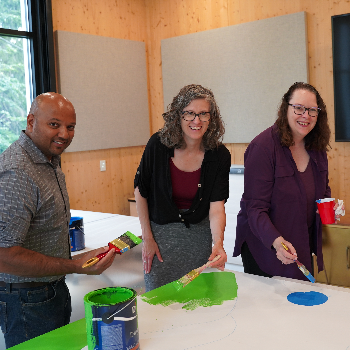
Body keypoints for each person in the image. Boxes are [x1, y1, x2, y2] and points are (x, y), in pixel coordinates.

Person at [0, 92, 117, 348]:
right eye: (54, 124)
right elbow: (4, 255)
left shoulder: (47, 159)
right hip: (26, 300)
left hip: (48, 289)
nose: (64, 134)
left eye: (70, 126)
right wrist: (74, 265)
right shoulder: (18, 172)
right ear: (31, 122)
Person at [232, 82, 342, 280]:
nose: (305, 116)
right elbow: (255, 208)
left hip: (300, 244)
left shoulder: (317, 148)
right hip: (266, 247)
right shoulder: (263, 148)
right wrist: (276, 242)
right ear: (285, 108)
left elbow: (323, 192)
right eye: (299, 108)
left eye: (312, 110)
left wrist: (329, 208)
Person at [134, 84, 230, 291]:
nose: (197, 121)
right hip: (160, 241)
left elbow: (216, 207)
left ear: (211, 117)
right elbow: (141, 193)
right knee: (160, 305)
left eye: (203, 114)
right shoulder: (158, 145)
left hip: (198, 241)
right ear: (178, 116)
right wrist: (148, 239)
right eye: (189, 114)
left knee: (198, 303)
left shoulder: (219, 155)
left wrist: (218, 243)